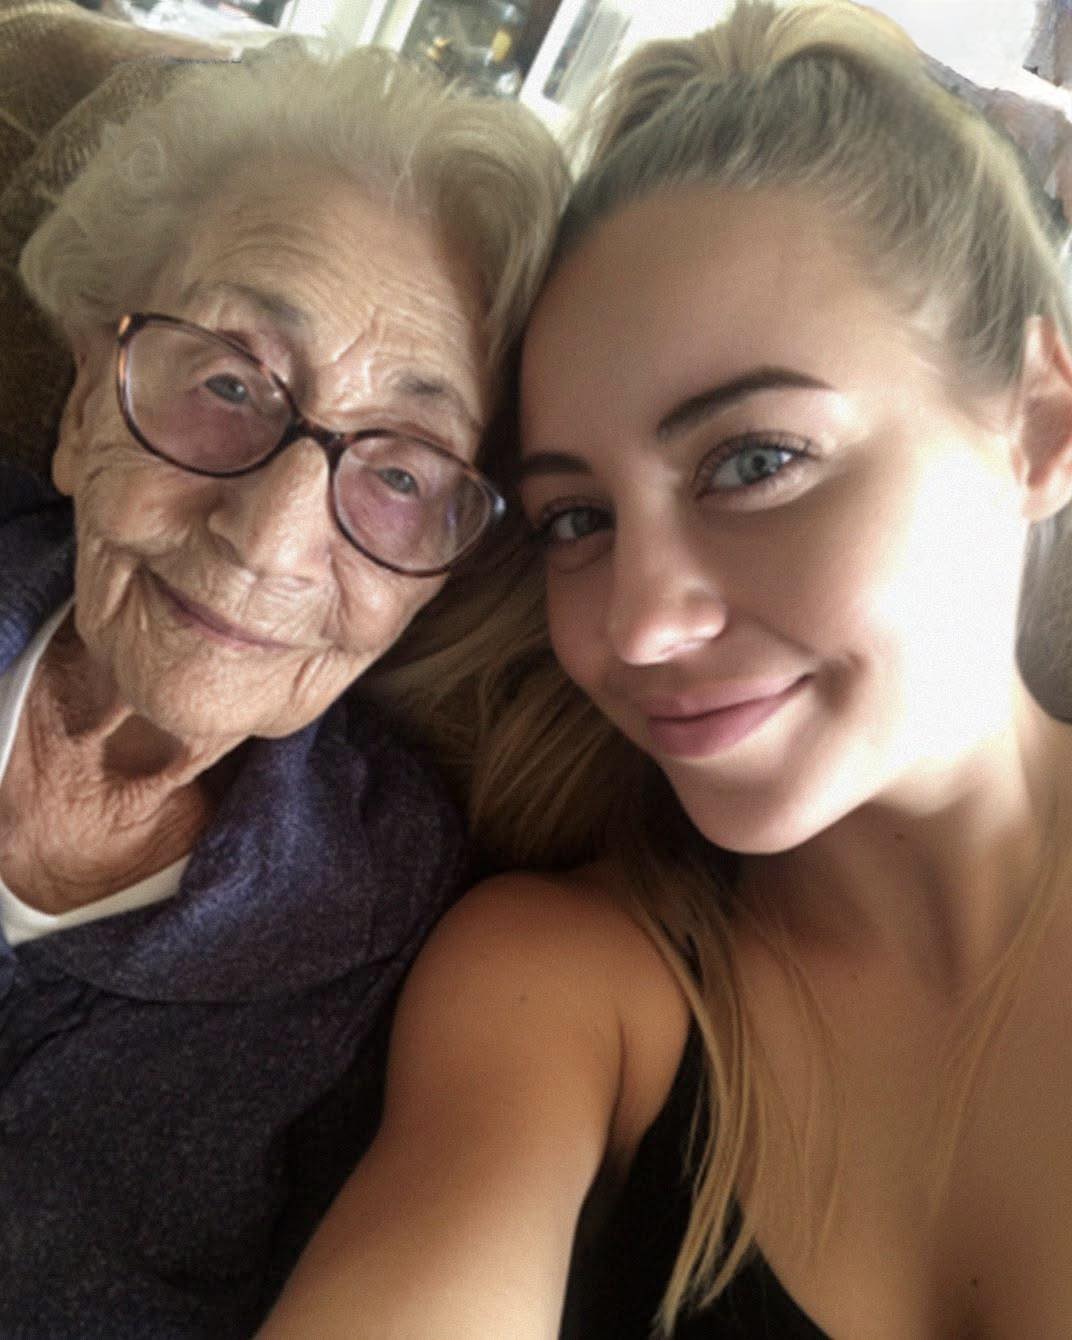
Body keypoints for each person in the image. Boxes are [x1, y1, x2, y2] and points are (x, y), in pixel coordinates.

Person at [260, 2, 1072, 1338]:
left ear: (1036, 426)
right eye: (577, 519)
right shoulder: (562, 995)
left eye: (754, 462)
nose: (636, 628)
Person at [0, 38, 565, 1338]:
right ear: (87, 398)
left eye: (403, 472)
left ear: (448, 572)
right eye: (228, 384)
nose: (266, 539)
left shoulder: (400, 930)